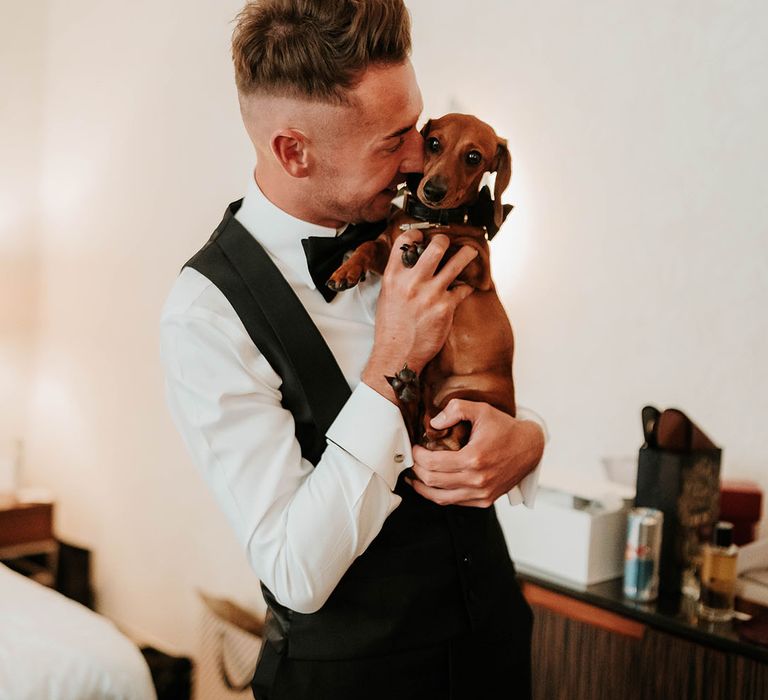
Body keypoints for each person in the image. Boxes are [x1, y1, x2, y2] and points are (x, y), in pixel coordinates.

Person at [160, 1, 545, 698]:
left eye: (419, 128)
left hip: (496, 655)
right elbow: (295, 574)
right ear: (293, 151)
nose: (415, 159)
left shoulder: (420, 228)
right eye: (393, 140)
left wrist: (527, 444)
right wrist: (388, 361)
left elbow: (480, 375)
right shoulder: (205, 315)